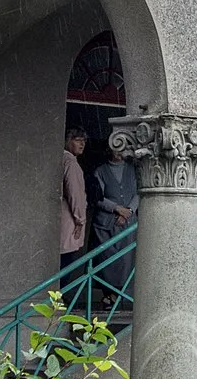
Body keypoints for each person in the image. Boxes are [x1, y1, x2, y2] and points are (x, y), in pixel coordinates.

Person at [90, 140, 140, 300]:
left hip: (128, 222)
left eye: (122, 150)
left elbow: (139, 192)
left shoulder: (132, 170)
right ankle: (107, 295)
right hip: (105, 223)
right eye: (116, 149)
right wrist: (117, 209)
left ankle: (117, 296)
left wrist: (128, 211)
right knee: (106, 260)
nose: (119, 153)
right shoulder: (101, 171)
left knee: (125, 261)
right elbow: (97, 197)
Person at [58, 127, 89, 274]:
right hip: (69, 220)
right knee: (65, 265)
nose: (82, 144)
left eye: (84, 141)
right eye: (77, 140)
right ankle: (57, 297)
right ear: (67, 141)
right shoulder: (70, 162)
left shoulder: (62, 159)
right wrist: (80, 220)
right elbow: (75, 194)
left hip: (62, 219)